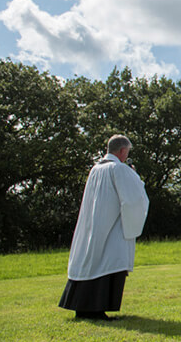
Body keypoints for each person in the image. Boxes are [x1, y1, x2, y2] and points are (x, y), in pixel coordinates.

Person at [59, 135, 149, 321]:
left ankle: (83, 308)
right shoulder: (119, 169)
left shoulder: (95, 169)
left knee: (91, 262)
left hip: (93, 225)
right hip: (112, 227)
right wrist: (135, 176)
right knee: (108, 262)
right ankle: (96, 309)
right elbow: (134, 199)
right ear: (123, 151)